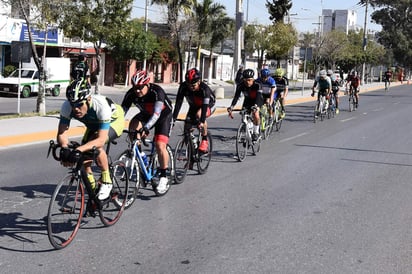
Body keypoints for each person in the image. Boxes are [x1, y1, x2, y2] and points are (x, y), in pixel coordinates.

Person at [57, 79, 125, 200]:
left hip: (114, 121)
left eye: (79, 105)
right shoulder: (67, 107)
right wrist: (64, 148)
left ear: (88, 100)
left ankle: (107, 181)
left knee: (95, 147)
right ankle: (93, 189)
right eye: (73, 105)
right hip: (93, 125)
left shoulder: (101, 106)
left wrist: (78, 149)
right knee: (84, 157)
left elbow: (100, 140)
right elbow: (62, 133)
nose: (75, 109)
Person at [121, 70, 173, 193]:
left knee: (160, 145)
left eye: (140, 88)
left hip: (163, 116)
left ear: (147, 84)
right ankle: (141, 155)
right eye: (134, 88)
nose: (137, 91)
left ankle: (164, 176)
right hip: (146, 114)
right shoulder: (131, 94)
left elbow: (156, 114)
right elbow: (122, 112)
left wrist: (146, 128)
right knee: (133, 126)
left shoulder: (156, 92)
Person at [173, 68, 216, 152]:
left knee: (199, 115)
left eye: (193, 85)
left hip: (208, 105)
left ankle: (204, 140)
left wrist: (202, 121)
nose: (190, 87)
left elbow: (204, 107)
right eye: (188, 85)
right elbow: (178, 103)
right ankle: (191, 154)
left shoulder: (204, 89)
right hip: (193, 106)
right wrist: (173, 118)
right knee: (186, 131)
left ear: (199, 82)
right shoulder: (183, 87)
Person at [227, 68, 264, 142]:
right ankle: (247, 129)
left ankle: (256, 132)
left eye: (249, 80)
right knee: (243, 115)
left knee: (256, 114)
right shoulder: (241, 85)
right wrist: (231, 107)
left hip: (257, 100)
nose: (247, 82)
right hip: (247, 101)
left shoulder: (257, 85)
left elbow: (259, 96)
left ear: (253, 79)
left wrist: (256, 106)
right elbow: (236, 97)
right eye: (245, 80)